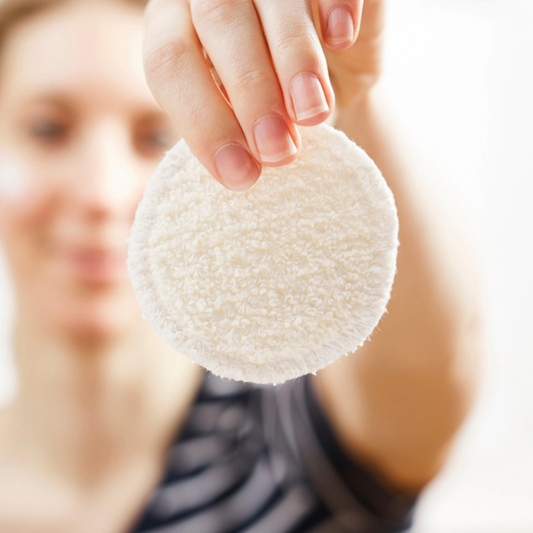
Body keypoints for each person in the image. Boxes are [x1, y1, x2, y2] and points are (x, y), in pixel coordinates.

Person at [0, 0, 482, 531]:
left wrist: (339, 103)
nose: (100, 192)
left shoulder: (297, 455)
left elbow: (429, 375)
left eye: (156, 137)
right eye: (47, 130)